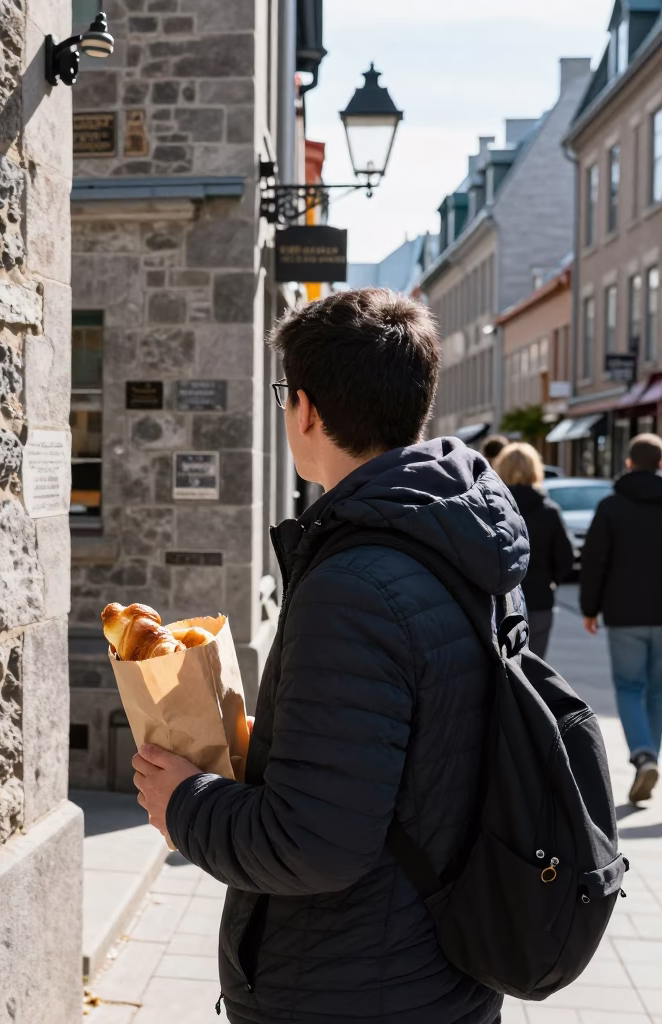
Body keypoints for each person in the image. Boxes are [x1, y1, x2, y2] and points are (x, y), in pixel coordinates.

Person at [133, 288, 528, 1024]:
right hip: (440, 967)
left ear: (306, 409)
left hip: (349, 986)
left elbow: (313, 843)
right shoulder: (464, 543)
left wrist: (182, 803)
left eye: (286, 394)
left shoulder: (353, 584)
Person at [581, 433, 662, 804]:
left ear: (629, 462)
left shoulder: (611, 506)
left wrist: (589, 608)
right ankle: (650, 757)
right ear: (659, 464)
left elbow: (595, 562)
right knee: (658, 692)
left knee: (630, 687)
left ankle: (643, 753)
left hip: (625, 614)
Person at [494, 442, 573, 658]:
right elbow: (565, 559)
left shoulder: (491, 510)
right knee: (535, 669)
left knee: (503, 671)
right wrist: (550, 578)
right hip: (539, 599)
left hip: (499, 601)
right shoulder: (549, 511)